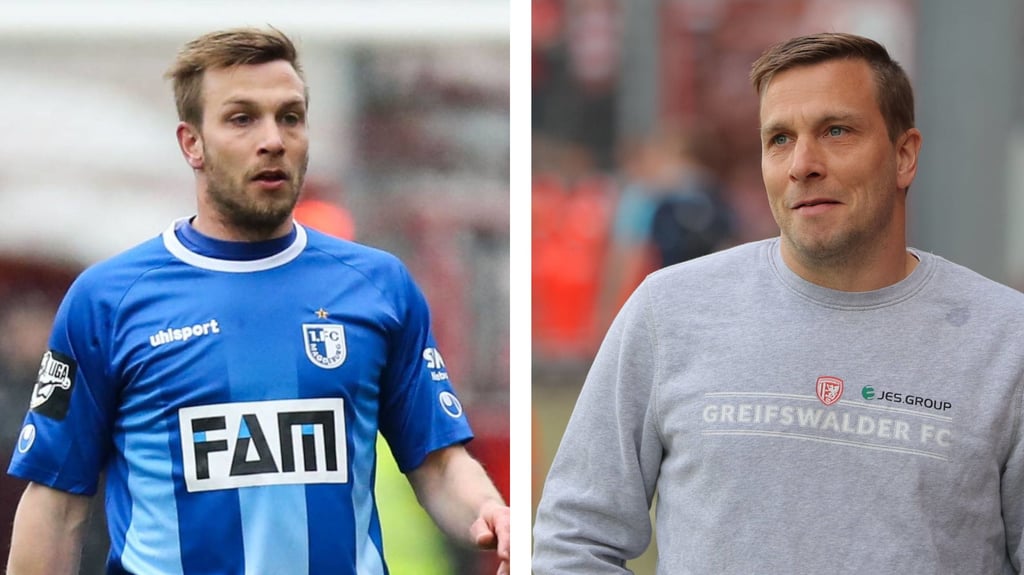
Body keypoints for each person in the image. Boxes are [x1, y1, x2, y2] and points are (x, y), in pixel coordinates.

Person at [6, 27, 509, 575]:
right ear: (191, 143)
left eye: (289, 117)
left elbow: (437, 463)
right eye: (242, 118)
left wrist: (489, 512)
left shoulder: (377, 286)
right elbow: (55, 507)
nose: (273, 138)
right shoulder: (107, 300)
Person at [533, 31, 1024, 573]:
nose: (802, 165)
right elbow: (574, 540)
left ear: (904, 156)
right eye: (780, 139)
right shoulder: (668, 312)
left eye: (836, 131)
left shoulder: (1006, 339)